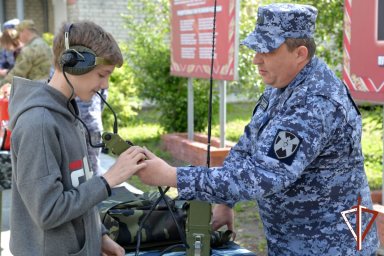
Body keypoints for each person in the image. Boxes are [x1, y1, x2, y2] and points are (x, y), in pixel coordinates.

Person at [136, 3, 379, 255]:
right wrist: (225, 201)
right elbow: (246, 147)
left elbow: (263, 176)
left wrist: (173, 176)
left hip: (335, 245)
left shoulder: (316, 102)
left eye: (267, 50)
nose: (256, 59)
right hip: (296, 241)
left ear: (300, 53)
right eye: (255, 48)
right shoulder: (281, 85)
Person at [8, 21, 147, 255]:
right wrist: (109, 179)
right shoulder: (39, 124)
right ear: (75, 64)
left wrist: (99, 235)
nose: (105, 85)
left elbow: (78, 187)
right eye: (102, 75)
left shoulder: (68, 112)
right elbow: (49, 210)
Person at [0, 19, 52, 95]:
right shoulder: (44, 44)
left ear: (25, 31)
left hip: (34, 90)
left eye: (19, 34)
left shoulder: (29, 49)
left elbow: (16, 75)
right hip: (47, 87)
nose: (19, 38)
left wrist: (2, 83)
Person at [75, 89, 108, 176]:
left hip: (75, 124)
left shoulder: (62, 75)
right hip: (93, 123)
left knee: (75, 162)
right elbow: (103, 97)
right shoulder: (98, 77)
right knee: (94, 163)